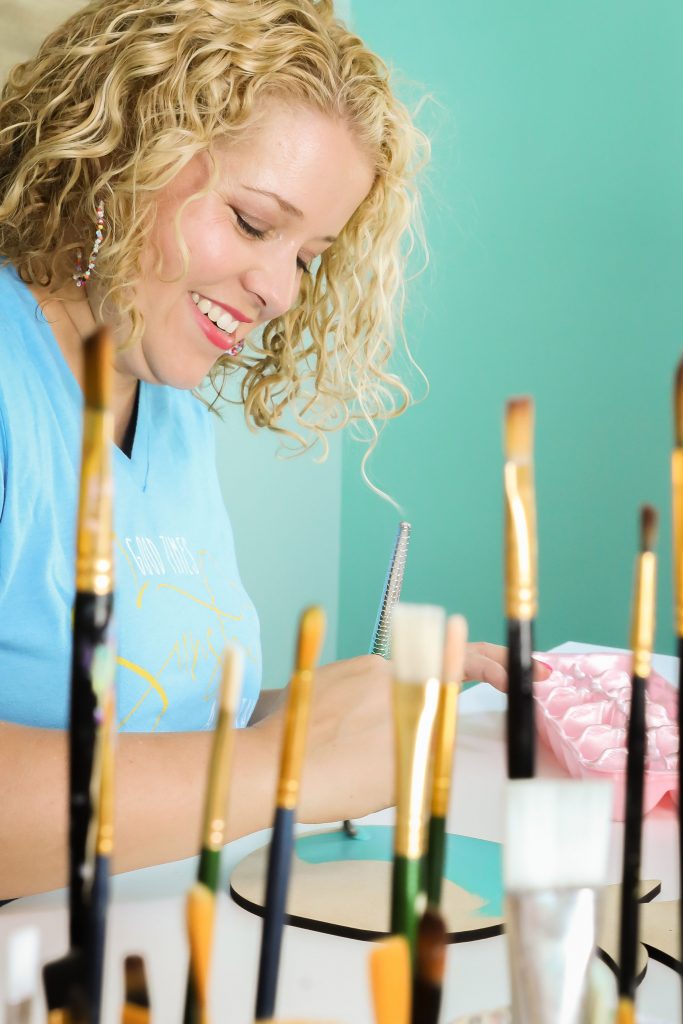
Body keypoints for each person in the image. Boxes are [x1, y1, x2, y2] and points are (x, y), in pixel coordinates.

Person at [0, 0, 517, 900]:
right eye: (250, 223)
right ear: (113, 162)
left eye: (310, 256)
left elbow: (166, 726)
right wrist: (281, 764)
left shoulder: (169, 404)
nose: (281, 290)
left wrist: (323, 719)